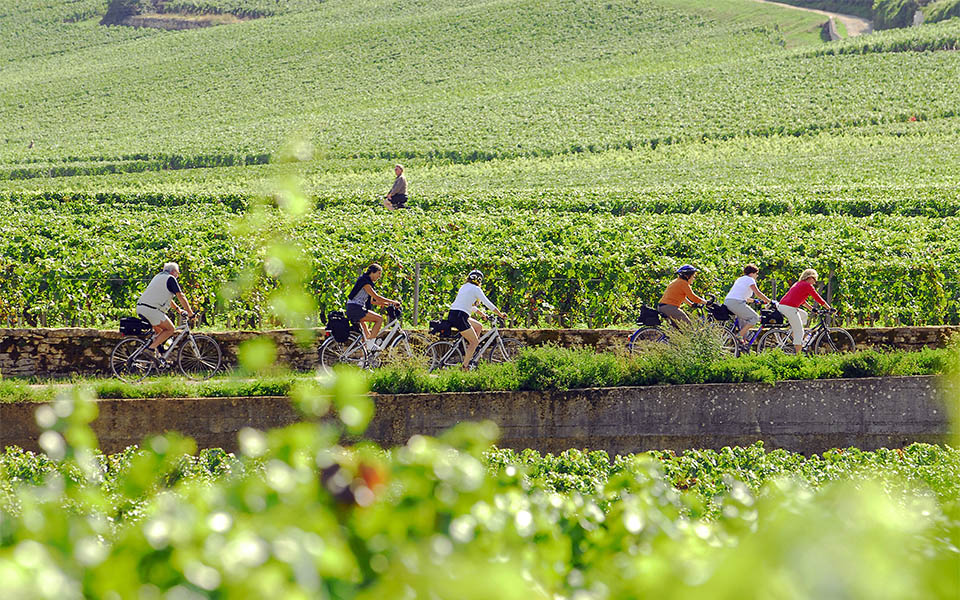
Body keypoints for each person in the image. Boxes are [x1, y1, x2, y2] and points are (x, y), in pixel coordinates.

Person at [447, 269, 507, 370]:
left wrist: (481, 314)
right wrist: (500, 314)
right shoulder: (476, 289)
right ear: (479, 281)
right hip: (460, 316)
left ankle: (471, 351)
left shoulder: (464, 287)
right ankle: (465, 367)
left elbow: (467, 305)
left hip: (454, 314)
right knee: (475, 342)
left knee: (479, 326)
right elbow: (487, 303)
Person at [136, 262, 194, 361]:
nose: (178, 275)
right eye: (178, 273)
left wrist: (178, 310)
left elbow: (166, 297)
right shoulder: (171, 278)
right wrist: (190, 312)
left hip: (141, 308)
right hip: (152, 310)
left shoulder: (158, 277)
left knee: (160, 332)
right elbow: (181, 296)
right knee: (170, 329)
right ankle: (150, 349)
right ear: (173, 272)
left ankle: (158, 355)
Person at [777, 268, 833, 355]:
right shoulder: (807, 285)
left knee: (804, 314)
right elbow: (817, 298)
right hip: (789, 308)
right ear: (810, 277)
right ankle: (798, 356)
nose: (815, 282)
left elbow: (802, 301)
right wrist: (828, 308)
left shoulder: (799, 284)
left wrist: (812, 309)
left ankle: (793, 335)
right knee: (800, 331)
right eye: (814, 279)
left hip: (783, 306)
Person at [346, 263, 401, 351]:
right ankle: (371, 345)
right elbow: (377, 297)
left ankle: (364, 360)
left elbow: (372, 301)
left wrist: (387, 304)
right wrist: (393, 302)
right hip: (355, 308)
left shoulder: (366, 282)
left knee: (367, 336)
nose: (379, 277)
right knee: (379, 319)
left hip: (354, 308)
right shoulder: (365, 282)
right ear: (372, 272)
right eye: (378, 274)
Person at [724, 264, 774, 340]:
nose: (757, 276)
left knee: (744, 323)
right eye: (756, 274)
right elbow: (758, 293)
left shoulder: (740, 279)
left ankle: (741, 344)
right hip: (736, 303)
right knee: (755, 318)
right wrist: (770, 301)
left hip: (729, 302)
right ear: (751, 273)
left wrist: (754, 301)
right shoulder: (750, 279)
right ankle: (738, 337)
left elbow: (742, 297)